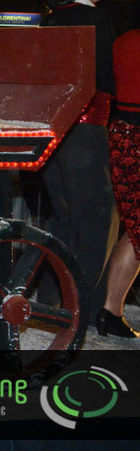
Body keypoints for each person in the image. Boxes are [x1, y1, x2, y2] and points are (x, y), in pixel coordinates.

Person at [30, 0, 117, 324]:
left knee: (62, 219)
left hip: (53, 134)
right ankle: (85, 304)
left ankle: (53, 298)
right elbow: (106, 82)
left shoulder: (48, 24)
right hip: (87, 131)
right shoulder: (97, 22)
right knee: (94, 218)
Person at [100, 27, 140, 337]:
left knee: (135, 228)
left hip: (122, 135)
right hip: (135, 137)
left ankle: (110, 311)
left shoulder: (124, 40)